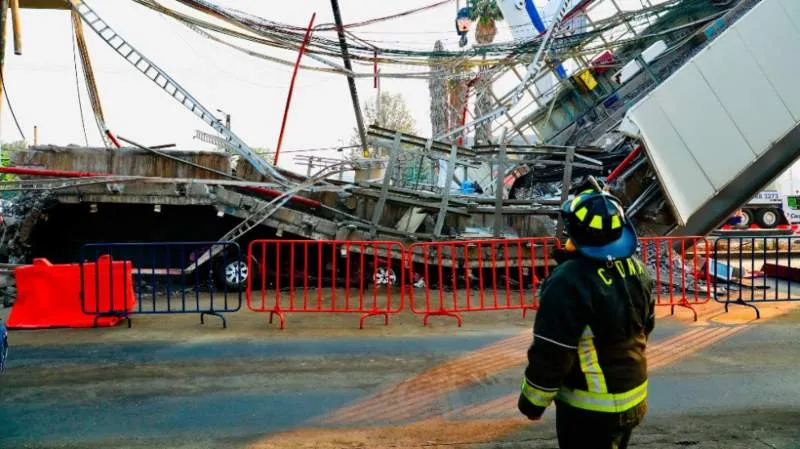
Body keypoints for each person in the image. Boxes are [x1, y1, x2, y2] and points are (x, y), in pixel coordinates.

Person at [517, 187, 655, 449]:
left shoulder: (569, 281)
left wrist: (532, 402)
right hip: (634, 397)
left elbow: (553, 352)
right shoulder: (637, 268)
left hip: (591, 410)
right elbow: (645, 326)